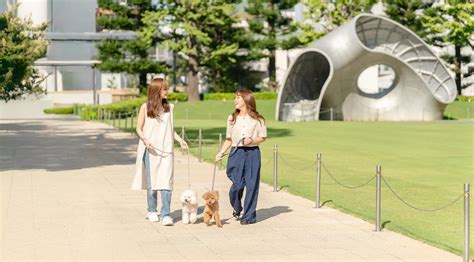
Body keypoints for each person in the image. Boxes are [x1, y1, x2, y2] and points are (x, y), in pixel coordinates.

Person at [131, 78, 188, 226]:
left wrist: (179, 139)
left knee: (166, 182)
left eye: (167, 89)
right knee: (152, 183)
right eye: (164, 89)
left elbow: (170, 128)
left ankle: (166, 214)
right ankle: (151, 210)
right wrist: (145, 140)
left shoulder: (169, 108)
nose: (167, 91)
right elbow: (138, 128)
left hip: (167, 150)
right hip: (150, 150)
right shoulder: (145, 107)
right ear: (156, 91)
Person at [215, 89, 267, 225]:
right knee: (237, 186)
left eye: (238, 97)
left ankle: (249, 216)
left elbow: (262, 138)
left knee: (252, 185)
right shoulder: (231, 118)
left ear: (246, 99)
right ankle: (237, 207)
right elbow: (229, 139)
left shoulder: (258, 119)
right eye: (235, 97)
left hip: (252, 154)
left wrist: (252, 141)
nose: (235, 100)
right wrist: (220, 152)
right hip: (236, 153)